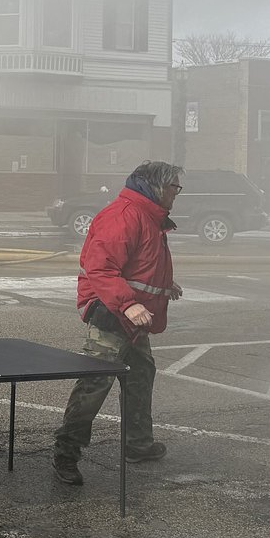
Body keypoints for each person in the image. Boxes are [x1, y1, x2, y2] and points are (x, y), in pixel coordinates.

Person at [53, 160, 185, 486]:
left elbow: (140, 265)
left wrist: (165, 287)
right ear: (156, 186)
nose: (177, 193)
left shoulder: (148, 216)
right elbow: (101, 269)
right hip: (112, 312)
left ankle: (138, 445)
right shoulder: (124, 215)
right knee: (95, 382)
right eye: (174, 187)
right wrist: (128, 304)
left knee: (141, 374)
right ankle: (65, 454)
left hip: (132, 316)